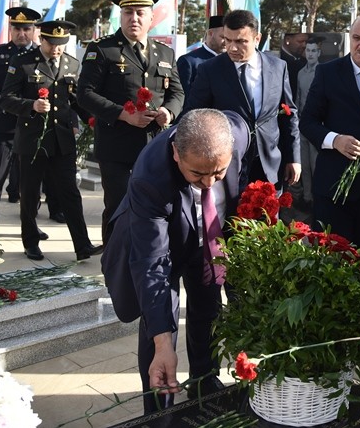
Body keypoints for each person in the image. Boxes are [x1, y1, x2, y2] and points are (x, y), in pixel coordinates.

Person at [101, 108, 249, 414]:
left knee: (208, 306)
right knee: (158, 322)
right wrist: (163, 344)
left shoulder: (238, 133)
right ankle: (159, 406)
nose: (209, 183)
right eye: (198, 174)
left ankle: (204, 381)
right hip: (162, 239)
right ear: (176, 154)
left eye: (218, 172)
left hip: (208, 233)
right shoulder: (149, 177)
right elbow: (152, 263)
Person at [78, 0, 185, 243]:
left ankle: (147, 256)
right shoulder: (102, 49)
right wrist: (124, 114)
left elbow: (177, 93)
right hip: (117, 148)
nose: (133, 18)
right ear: (121, 16)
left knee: (156, 205)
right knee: (118, 207)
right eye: (128, 12)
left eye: (140, 13)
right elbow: (85, 94)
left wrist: (168, 113)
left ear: (151, 17)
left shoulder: (165, 53)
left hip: (155, 146)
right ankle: (114, 263)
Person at [0, 20, 101, 262]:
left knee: (70, 193)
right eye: (52, 43)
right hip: (33, 140)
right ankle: (31, 242)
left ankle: (82, 244)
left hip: (62, 140)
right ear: (42, 39)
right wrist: (31, 106)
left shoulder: (72, 64)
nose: (56, 49)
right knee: (31, 193)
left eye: (61, 44)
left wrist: (92, 118)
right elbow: (6, 99)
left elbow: (76, 99)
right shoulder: (22, 63)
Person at [299, 14, 360, 261]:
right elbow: (307, 121)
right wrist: (335, 140)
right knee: (331, 266)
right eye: (356, 38)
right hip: (334, 189)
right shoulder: (327, 73)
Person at [184, 9, 300, 189]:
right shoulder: (210, 70)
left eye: (240, 41)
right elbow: (192, 116)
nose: (232, 48)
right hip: (226, 169)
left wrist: (293, 158)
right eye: (227, 40)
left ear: (257, 39)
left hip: (270, 168)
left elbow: (288, 113)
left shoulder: (278, 67)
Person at [0, 7, 40, 236]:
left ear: (34, 30)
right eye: (17, 28)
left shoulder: (41, 56)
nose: (22, 33)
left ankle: (31, 226)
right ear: (10, 29)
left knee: (31, 183)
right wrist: (4, 103)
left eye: (26, 29)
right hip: (4, 126)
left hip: (33, 127)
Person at [293, 35, 323, 220]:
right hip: (302, 124)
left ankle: (318, 199)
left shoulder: (324, 72)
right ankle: (307, 198)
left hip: (318, 125)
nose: (310, 54)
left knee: (316, 164)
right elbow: (297, 97)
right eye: (308, 50)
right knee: (303, 163)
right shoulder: (301, 73)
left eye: (314, 51)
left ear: (319, 52)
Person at [176, 15, 225, 95]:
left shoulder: (231, 60)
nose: (226, 42)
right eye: (223, 37)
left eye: (229, 38)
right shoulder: (188, 62)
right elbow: (184, 97)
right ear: (210, 33)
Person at [280, 32, 308, 97]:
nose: (304, 45)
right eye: (300, 41)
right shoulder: (280, 61)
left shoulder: (302, 59)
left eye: (306, 42)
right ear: (287, 40)